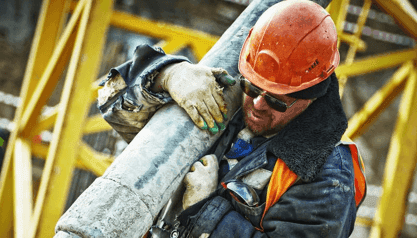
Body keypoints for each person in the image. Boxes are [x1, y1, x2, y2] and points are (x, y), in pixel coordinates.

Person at [97, 0, 366, 237]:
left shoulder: (329, 178)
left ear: (311, 97)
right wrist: (165, 76)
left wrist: (202, 210)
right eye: (252, 87)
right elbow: (114, 108)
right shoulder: (228, 95)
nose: (258, 105)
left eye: (276, 100)